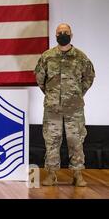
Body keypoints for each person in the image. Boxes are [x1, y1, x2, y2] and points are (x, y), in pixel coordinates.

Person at [34, 23, 95, 187]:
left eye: (65, 32)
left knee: (76, 140)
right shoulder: (47, 56)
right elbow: (40, 79)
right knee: (52, 140)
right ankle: (51, 175)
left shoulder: (80, 57)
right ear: (56, 36)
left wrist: (77, 93)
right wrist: (51, 94)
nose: (62, 34)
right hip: (52, 108)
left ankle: (77, 175)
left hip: (74, 108)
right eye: (59, 32)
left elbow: (89, 77)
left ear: (71, 35)